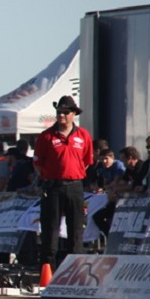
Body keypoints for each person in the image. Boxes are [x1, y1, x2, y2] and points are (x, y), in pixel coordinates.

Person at [33, 95, 94, 269]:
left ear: (73, 113)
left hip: (75, 186)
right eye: (59, 112)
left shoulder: (83, 135)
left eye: (65, 112)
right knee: (50, 230)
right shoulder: (46, 136)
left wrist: (73, 174)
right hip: (53, 186)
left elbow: (87, 161)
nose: (61, 115)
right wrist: (50, 177)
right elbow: (38, 163)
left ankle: (74, 270)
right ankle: (47, 270)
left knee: (75, 229)